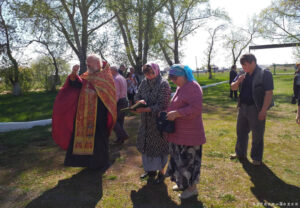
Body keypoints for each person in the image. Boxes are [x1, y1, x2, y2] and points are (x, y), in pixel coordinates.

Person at [52, 54, 117, 170]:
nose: (87, 65)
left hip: (99, 115)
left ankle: (101, 163)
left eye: (89, 63)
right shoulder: (87, 76)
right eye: (86, 63)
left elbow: (109, 96)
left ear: (97, 63)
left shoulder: (105, 76)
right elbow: (76, 84)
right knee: (82, 137)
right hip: (84, 114)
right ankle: (87, 162)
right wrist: (73, 74)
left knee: (99, 139)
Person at [165, 64, 206, 199]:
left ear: (184, 75)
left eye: (175, 78)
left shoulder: (193, 87)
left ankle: (192, 188)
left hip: (191, 134)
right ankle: (183, 183)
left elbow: (196, 109)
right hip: (179, 133)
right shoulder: (180, 87)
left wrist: (177, 113)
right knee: (179, 160)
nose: (173, 81)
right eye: (171, 78)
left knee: (190, 162)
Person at [230, 53, 274, 166]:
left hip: (256, 108)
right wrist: (238, 81)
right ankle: (240, 153)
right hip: (242, 107)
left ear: (253, 62)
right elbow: (232, 87)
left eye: (245, 65)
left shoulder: (265, 73)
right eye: (242, 65)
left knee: (257, 134)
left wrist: (263, 110)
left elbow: (269, 93)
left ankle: (256, 157)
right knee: (240, 131)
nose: (243, 68)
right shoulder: (241, 73)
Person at [134, 63, 171, 184]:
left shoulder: (163, 84)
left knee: (159, 147)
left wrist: (145, 109)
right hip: (145, 122)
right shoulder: (144, 82)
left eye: (151, 72)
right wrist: (139, 101)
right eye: (146, 73)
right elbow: (137, 95)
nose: (149, 75)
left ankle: (161, 173)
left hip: (158, 122)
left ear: (156, 71)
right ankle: (150, 170)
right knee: (146, 146)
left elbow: (162, 104)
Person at [110, 66, 129, 144]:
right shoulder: (122, 78)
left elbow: (116, 93)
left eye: (109, 71)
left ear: (113, 71)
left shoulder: (115, 79)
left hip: (119, 101)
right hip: (124, 100)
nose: (109, 72)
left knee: (113, 120)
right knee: (120, 121)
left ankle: (123, 135)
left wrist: (113, 103)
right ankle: (120, 139)